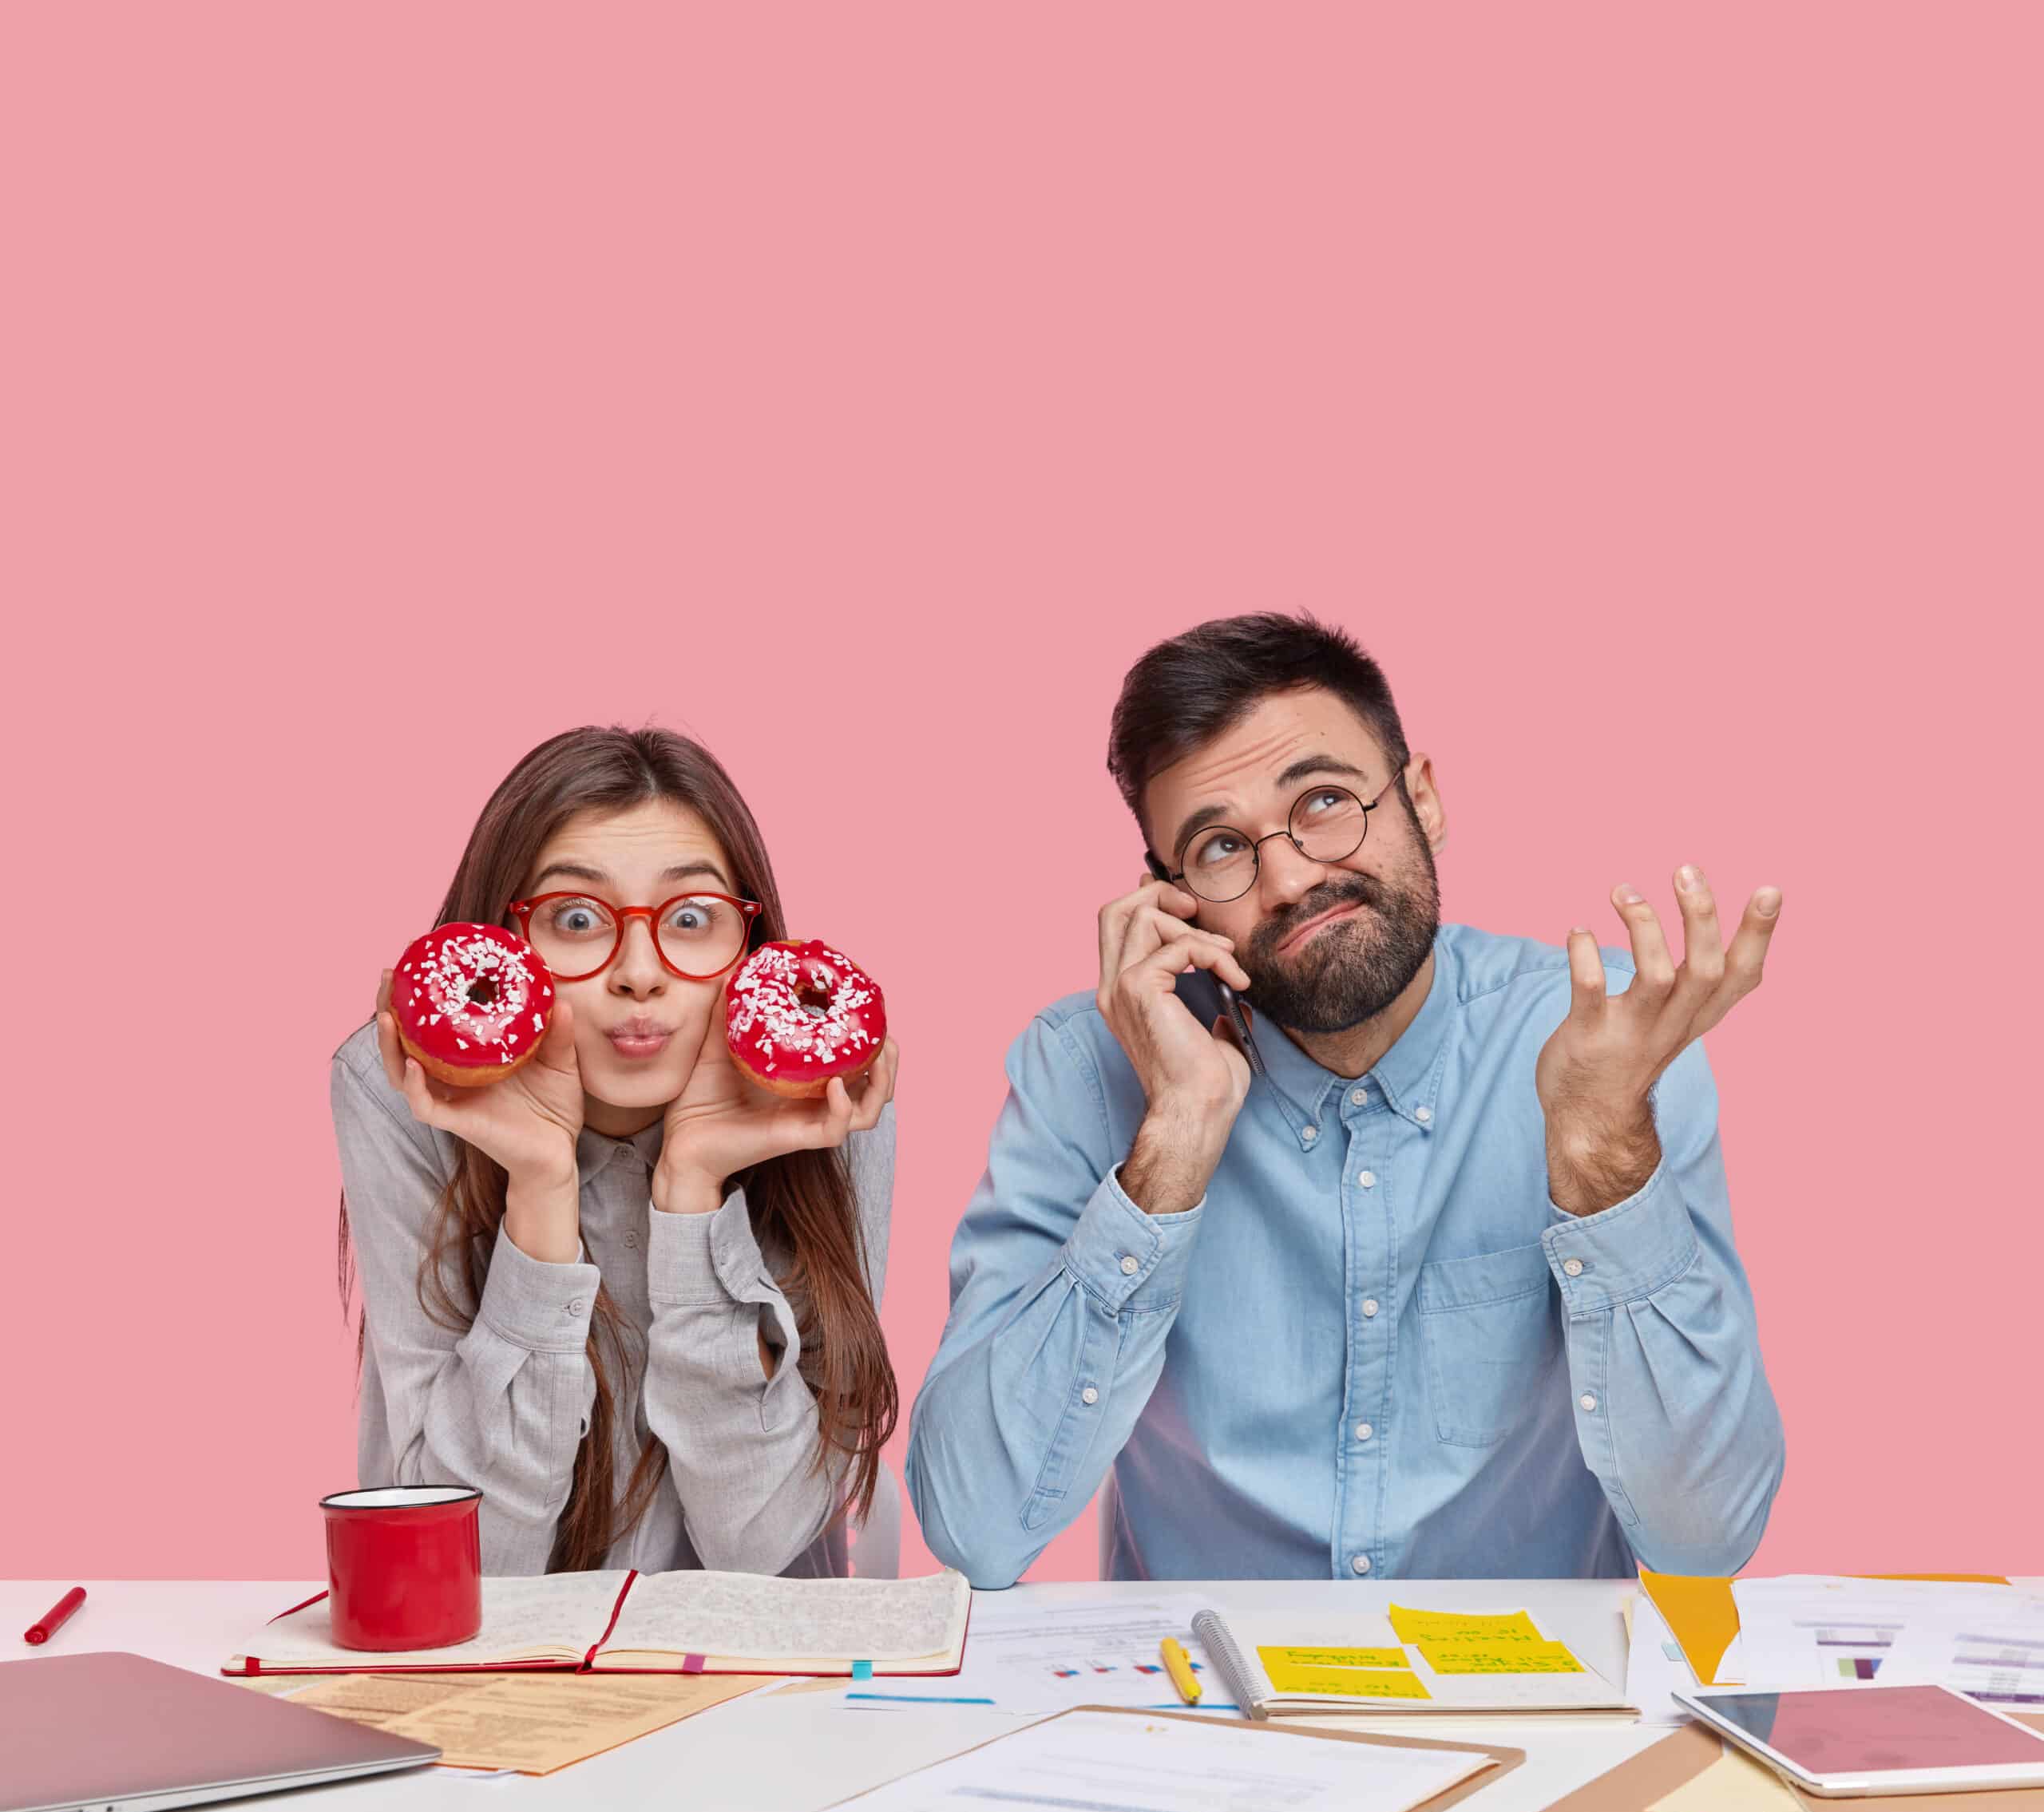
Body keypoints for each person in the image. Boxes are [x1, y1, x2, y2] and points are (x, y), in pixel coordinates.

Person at [907, 612, 1785, 1587]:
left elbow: (1706, 1537)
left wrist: (1600, 1155)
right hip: (1198, 1714)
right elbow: (975, 1529)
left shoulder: (1606, 1046)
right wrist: (1169, 1151)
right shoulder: (1083, 1070)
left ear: (1423, 799)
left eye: (1324, 800)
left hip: (1534, 1713)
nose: (1288, 876)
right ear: (1169, 900)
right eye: (1219, 848)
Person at [331, 726, 899, 1577]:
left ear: (749, 946)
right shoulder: (408, 1099)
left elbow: (770, 1552)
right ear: (502, 939)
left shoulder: (823, 1097)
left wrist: (692, 1191)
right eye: (576, 918)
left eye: (694, 917)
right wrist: (540, 1191)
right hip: (517, 1688)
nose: (639, 971)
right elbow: (454, 1566)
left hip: (768, 1681)